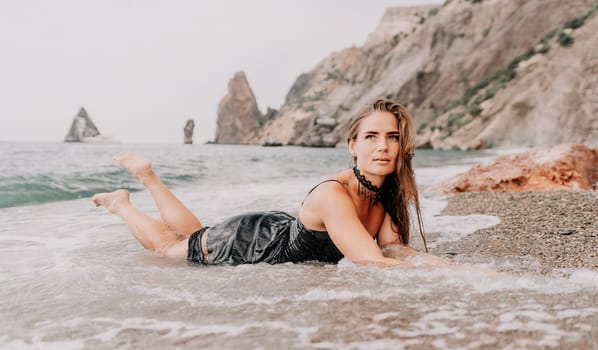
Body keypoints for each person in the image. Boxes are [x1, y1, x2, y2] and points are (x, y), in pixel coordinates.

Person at [93, 99, 450, 267]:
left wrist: (447, 266)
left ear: (402, 145)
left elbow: (395, 250)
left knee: (192, 235)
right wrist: (456, 281)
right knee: (170, 248)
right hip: (252, 243)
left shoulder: (385, 194)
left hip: (277, 229)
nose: (383, 147)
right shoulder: (333, 194)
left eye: (392, 137)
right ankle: (121, 204)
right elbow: (371, 261)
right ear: (352, 146)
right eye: (371, 136)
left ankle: (148, 177)